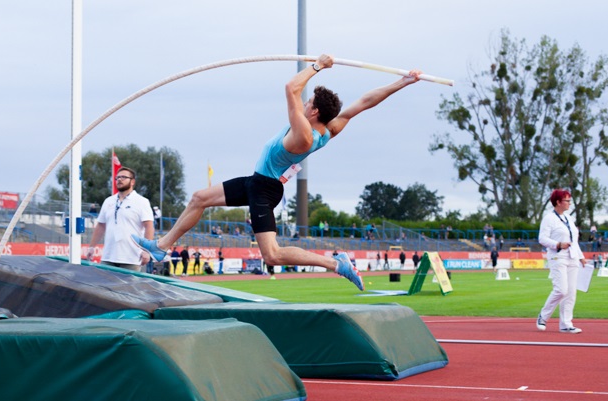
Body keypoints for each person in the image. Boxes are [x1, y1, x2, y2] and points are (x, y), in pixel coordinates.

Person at [132, 54, 422, 291]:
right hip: (257, 181)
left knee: (271, 255)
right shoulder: (330, 128)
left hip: (265, 188)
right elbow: (365, 102)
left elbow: (291, 87)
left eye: (309, 103)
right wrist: (403, 82)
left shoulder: (304, 135)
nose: (305, 103)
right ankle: (162, 245)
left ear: (314, 113)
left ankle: (337, 264)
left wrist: (318, 66)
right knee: (199, 198)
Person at [85, 167, 154, 272]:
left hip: (131, 258)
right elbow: (101, 225)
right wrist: (91, 247)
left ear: (132, 182)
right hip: (108, 257)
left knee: (129, 283)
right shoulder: (108, 201)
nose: (120, 180)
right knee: (102, 282)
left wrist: (147, 250)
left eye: (124, 177)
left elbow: (149, 226)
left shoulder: (141, 201)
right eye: (117, 178)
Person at [536, 189, 586, 334]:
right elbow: (542, 238)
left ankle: (566, 324)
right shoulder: (549, 218)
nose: (569, 203)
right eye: (567, 200)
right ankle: (543, 316)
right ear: (558, 202)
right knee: (561, 289)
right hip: (558, 256)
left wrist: (581, 256)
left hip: (572, 257)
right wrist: (558, 244)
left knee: (571, 292)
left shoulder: (569, 218)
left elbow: (574, 240)